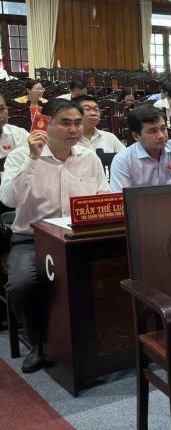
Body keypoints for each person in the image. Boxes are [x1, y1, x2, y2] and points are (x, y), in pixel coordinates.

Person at [0, 98, 111, 372]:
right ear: (44, 124)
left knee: (109, 275)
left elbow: (104, 196)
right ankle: (40, 343)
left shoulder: (89, 157)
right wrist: (33, 159)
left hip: (78, 237)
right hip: (32, 238)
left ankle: (100, 342)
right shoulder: (20, 156)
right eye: (65, 123)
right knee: (23, 285)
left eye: (77, 123)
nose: (73, 129)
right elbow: (10, 200)